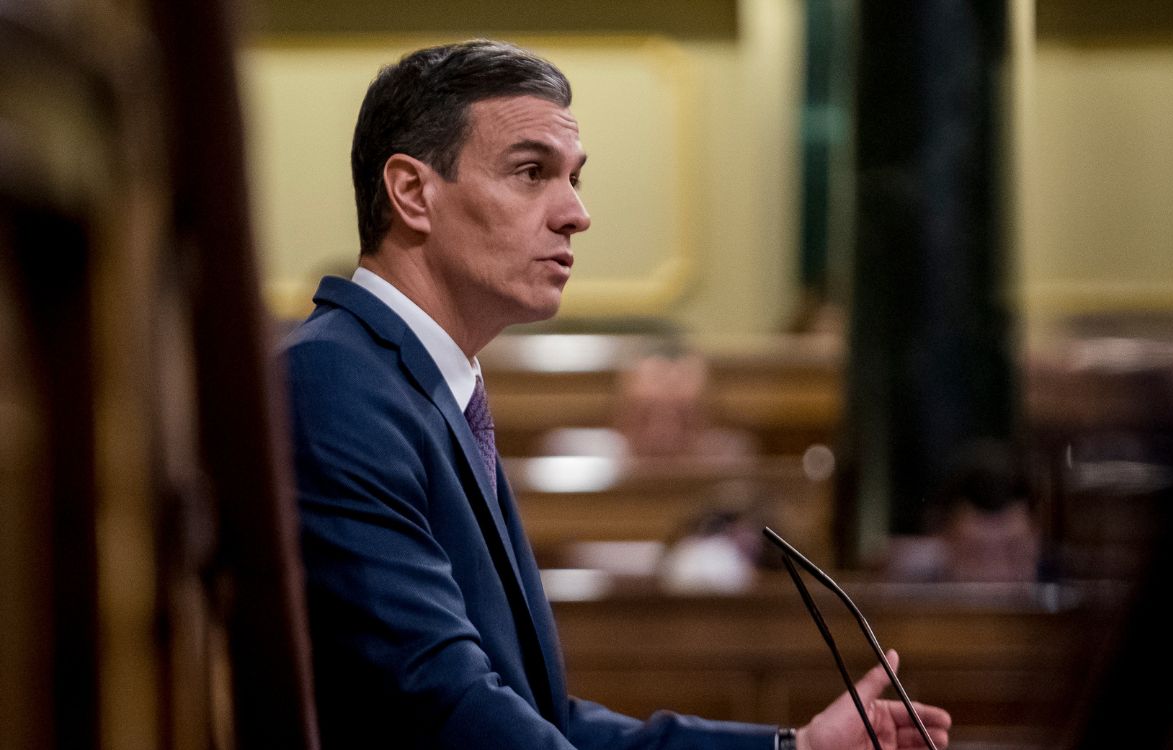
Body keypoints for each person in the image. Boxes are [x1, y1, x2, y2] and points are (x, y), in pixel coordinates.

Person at [283, 39, 952, 750]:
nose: (576, 214)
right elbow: (443, 707)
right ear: (413, 192)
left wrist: (796, 748)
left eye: (574, 177)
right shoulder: (334, 381)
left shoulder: (431, 386)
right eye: (531, 172)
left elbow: (543, 720)